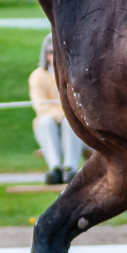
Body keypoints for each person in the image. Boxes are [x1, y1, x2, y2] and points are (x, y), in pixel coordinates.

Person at [28, 34, 84, 184]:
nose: (54, 56)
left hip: (74, 125)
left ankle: (70, 169)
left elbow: (79, 105)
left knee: (70, 123)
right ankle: (55, 169)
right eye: (51, 52)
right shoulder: (37, 76)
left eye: (57, 51)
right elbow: (41, 106)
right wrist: (63, 115)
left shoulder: (74, 75)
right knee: (45, 121)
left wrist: (67, 117)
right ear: (45, 55)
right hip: (50, 124)